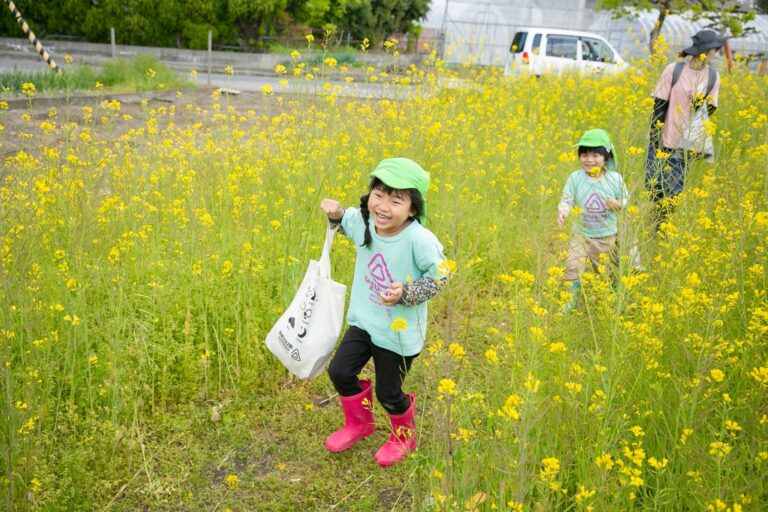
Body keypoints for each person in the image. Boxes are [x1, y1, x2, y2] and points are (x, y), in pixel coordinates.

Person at [319, 157, 448, 467]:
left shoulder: (420, 240)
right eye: (379, 194)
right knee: (339, 371)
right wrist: (335, 214)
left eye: (396, 200)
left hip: (398, 334)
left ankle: (404, 436)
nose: (383, 206)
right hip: (364, 322)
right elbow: (344, 222)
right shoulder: (364, 221)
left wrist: (407, 293)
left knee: (389, 393)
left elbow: (441, 276)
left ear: (413, 209)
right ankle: (359, 424)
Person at [645, 29, 728, 231]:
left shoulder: (713, 77)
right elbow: (659, 103)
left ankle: (661, 231)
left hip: (687, 145)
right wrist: (656, 138)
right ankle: (654, 219)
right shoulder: (674, 70)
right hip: (663, 139)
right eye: (716, 49)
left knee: (673, 192)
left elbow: (711, 109)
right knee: (654, 186)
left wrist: (698, 105)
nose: (717, 53)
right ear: (706, 50)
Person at [557, 129, 629, 313]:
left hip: (605, 235)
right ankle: (568, 301)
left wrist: (617, 204)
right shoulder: (575, 178)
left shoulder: (615, 179)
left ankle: (608, 303)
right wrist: (563, 212)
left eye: (595, 155)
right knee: (572, 265)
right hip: (580, 233)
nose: (589, 159)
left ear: (606, 158)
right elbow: (567, 199)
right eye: (584, 154)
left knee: (603, 272)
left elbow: (626, 201)